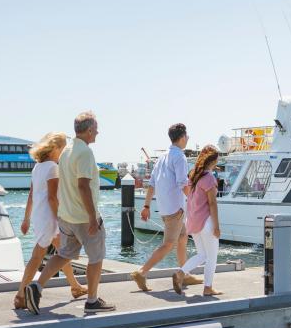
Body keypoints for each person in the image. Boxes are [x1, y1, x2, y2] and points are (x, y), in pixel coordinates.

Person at [25, 111, 115, 314]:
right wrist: (93, 217)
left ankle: (36, 286)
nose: (98, 133)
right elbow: (83, 186)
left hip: (66, 216)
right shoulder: (84, 152)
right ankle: (92, 301)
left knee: (64, 254)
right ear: (90, 130)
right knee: (96, 257)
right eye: (96, 129)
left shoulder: (66, 151)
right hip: (84, 216)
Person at [14, 132, 87, 309]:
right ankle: (20, 295)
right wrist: (60, 219)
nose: (64, 152)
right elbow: (53, 198)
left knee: (63, 253)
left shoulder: (37, 167)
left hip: (40, 215)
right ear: (55, 149)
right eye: (63, 148)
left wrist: (26, 219)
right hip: (50, 217)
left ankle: (75, 287)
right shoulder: (53, 168)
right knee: (37, 256)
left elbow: (32, 195)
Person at [130, 123, 202, 291]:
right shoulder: (180, 157)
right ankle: (141, 272)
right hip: (175, 209)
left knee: (183, 238)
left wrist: (147, 205)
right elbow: (183, 183)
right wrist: (196, 201)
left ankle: (184, 274)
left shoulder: (162, 157)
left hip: (165, 208)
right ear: (183, 137)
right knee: (169, 244)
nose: (188, 139)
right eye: (187, 136)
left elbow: (152, 184)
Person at [173, 145, 222, 296]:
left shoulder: (193, 175)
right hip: (206, 221)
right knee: (211, 257)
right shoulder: (209, 178)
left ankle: (181, 273)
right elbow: (212, 203)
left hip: (193, 222)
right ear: (213, 161)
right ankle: (208, 288)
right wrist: (217, 226)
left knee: (202, 255)